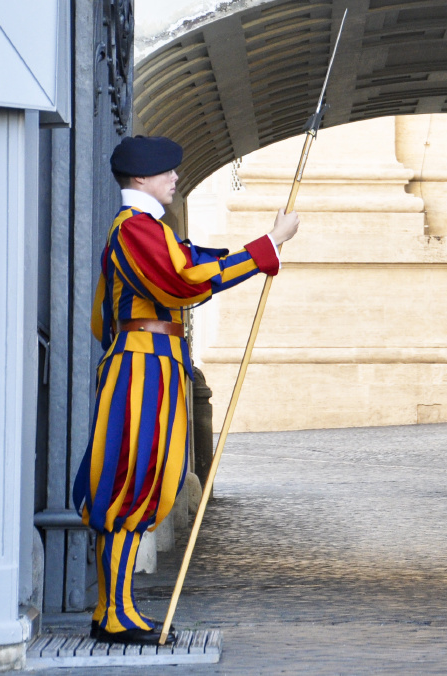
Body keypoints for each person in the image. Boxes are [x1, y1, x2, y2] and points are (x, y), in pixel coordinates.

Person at [72, 135, 300, 645]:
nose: (176, 177)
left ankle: (117, 608)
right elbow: (186, 281)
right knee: (128, 483)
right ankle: (114, 614)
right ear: (141, 179)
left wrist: (263, 249)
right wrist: (265, 246)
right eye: (167, 171)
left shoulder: (148, 231)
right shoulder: (135, 231)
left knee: (145, 481)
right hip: (143, 369)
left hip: (153, 365)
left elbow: (190, 264)